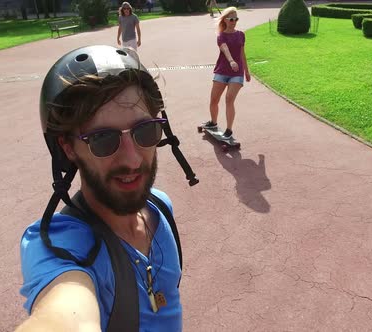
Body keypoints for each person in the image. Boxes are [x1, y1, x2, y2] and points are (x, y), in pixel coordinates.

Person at [16, 45, 196, 331]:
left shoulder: (160, 206)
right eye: (102, 139)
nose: (132, 158)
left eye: (145, 130)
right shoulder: (61, 247)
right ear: (68, 148)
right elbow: (65, 315)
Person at [203, 7, 251, 138]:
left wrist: (247, 71)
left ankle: (229, 130)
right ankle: (213, 122)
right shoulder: (221, 35)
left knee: (229, 99)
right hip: (222, 71)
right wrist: (231, 61)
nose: (234, 21)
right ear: (225, 20)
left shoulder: (241, 34)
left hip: (237, 73)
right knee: (214, 100)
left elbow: (242, 54)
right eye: (231, 19)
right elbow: (225, 49)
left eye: (236, 19)